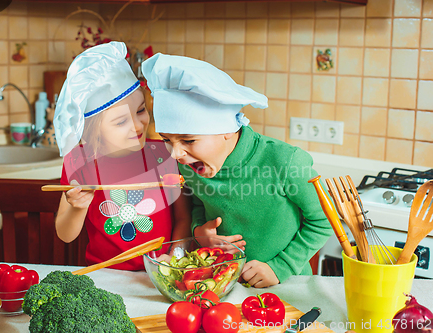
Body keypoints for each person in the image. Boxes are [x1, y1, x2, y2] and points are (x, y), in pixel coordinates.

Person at [141, 53, 332, 287]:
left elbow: (325, 221)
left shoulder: (285, 162)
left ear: (227, 129)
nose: (175, 154)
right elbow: (199, 205)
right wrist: (200, 232)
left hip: (287, 286)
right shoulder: (190, 165)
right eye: (167, 140)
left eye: (188, 141)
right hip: (222, 285)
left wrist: (281, 267)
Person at [53, 42, 191, 270]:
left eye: (140, 110)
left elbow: (184, 219)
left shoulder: (166, 154)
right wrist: (78, 207)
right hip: (104, 276)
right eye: (121, 121)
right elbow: (65, 234)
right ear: (92, 129)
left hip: (159, 274)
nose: (138, 125)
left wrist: (175, 258)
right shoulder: (79, 161)